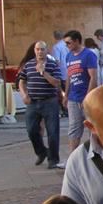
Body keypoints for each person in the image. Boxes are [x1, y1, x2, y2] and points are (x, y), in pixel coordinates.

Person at [17, 41, 64, 169]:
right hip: (33, 102)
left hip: (49, 101)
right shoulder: (29, 65)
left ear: (46, 50)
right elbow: (21, 82)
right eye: (37, 49)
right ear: (34, 51)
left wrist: (44, 73)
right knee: (31, 130)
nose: (40, 52)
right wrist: (24, 95)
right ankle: (42, 152)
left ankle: (53, 159)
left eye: (42, 49)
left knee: (53, 132)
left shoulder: (53, 64)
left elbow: (57, 83)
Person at [63, 30, 99, 153]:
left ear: (77, 41)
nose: (67, 45)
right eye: (65, 43)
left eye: (69, 43)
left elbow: (93, 77)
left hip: (88, 98)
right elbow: (69, 76)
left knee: (93, 128)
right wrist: (66, 95)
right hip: (73, 98)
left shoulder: (89, 55)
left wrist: (87, 97)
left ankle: (95, 156)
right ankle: (72, 159)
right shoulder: (68, 56)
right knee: (74, 129)